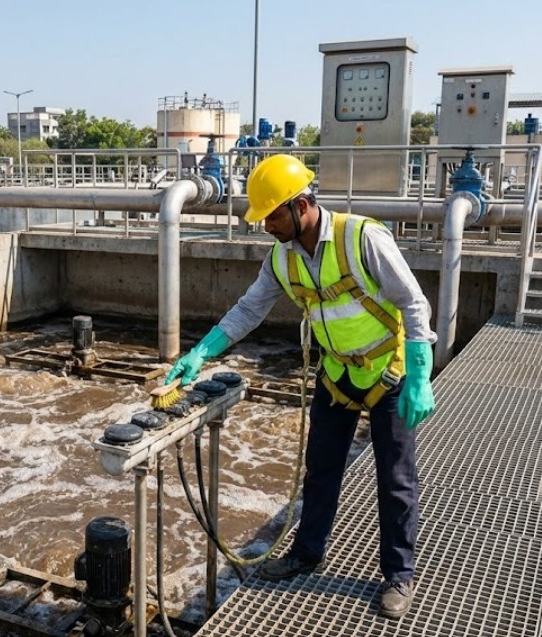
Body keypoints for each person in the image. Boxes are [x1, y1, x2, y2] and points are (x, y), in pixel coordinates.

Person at [165, 154, 436, 620]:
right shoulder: (281, 258)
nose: (266, 226)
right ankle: (307, 553)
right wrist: (201, 352)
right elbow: (249, 310)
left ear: (302, 206)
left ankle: (398, 575)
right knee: (320, 471)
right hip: (337, 374)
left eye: (272, 216)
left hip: (388, 374)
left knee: (395, 480)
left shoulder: (361, 238)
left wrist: (419, 374)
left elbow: (413, 303)